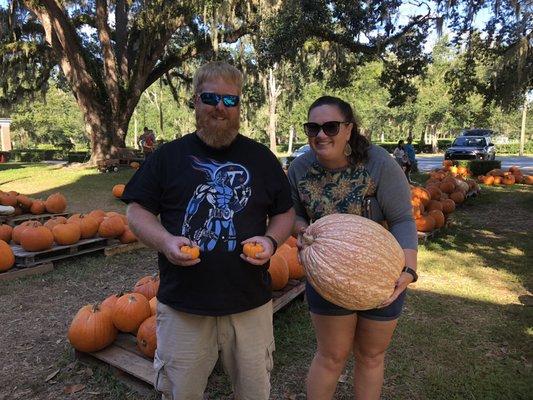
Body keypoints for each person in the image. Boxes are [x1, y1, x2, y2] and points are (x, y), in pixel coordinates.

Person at [122, 61, 295, 400]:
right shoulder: (167, 157)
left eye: (230, 101)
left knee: (254, 392)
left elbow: (285, 213)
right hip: (183, 306)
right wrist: (166, 241)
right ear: (195, 101)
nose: (221, 107)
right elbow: (136, 210)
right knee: (180, 394)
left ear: (239, 106)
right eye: (211, 98)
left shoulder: (261, 159)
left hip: (250, 307)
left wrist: (272, 240)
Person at [288, 96, 418, 400]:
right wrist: (301, 232)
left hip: (382, 273)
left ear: (349, 129)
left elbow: (401, 219)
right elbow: (294, 214)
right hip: (328, 272)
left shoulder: (379, 163)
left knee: (371, 357)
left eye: (331, 127)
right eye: (313, 128)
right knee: (331, 356)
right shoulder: (299, 169)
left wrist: (409, 269)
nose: (321, 135)